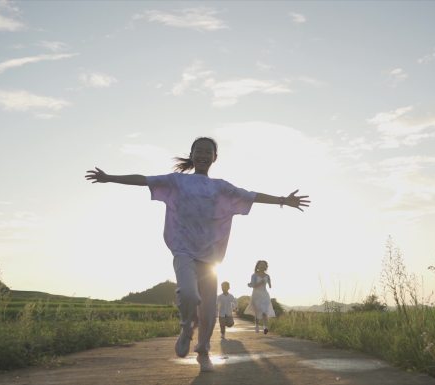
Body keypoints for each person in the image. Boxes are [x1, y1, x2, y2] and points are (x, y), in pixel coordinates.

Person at [85, 136, 310, 373]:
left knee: (209, 311)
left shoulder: (221, 187)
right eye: (198, 151)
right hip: (183, 250)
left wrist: (283, 200)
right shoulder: (177, 181)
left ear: (215, 157)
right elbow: (144, 180)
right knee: (190, 295)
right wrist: (109, 178)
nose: (203, 155)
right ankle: (185, 329)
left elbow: (251, 195)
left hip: (211, 256)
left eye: (207, 151)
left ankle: (203, 351)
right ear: (191, 155)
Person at [244, 260, 275, 334]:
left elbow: (270, 286)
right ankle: (257, 325)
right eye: (260, 264)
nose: (262, 266)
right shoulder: (254, 275)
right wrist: (260, 283)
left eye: (263, 265)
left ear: (265, 267)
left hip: (264, 295)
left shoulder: (267, 276)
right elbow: (253, 285)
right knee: (257, 311)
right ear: (257, 266)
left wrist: (270, 282)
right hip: (256, 295)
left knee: (264, 311)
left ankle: (265, 327)